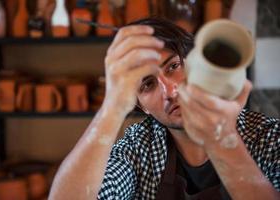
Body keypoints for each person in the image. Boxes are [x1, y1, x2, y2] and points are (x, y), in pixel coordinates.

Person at [49, 18, 280, 200]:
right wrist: (113, 106)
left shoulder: (268, 138)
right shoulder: (138, 148)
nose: (169, 91)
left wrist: (223, 140)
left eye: (173, 66)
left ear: (197, 62)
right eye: (148, 84)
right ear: (141, 105)